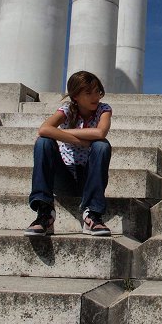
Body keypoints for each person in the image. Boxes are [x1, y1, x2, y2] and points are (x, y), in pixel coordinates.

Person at [24, 71, 113, 236]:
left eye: (97, 91)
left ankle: (92, 213)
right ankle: (45, 213)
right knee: (43, 142)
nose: (95, 96)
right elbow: (44, 129)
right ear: (75, 96)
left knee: (102, 145)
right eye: (88, 92)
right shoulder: (67, 110)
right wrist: (80, 141)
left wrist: (65, 134)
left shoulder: (104, 109)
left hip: (88, 177)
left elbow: (100, 133)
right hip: (64, 175)